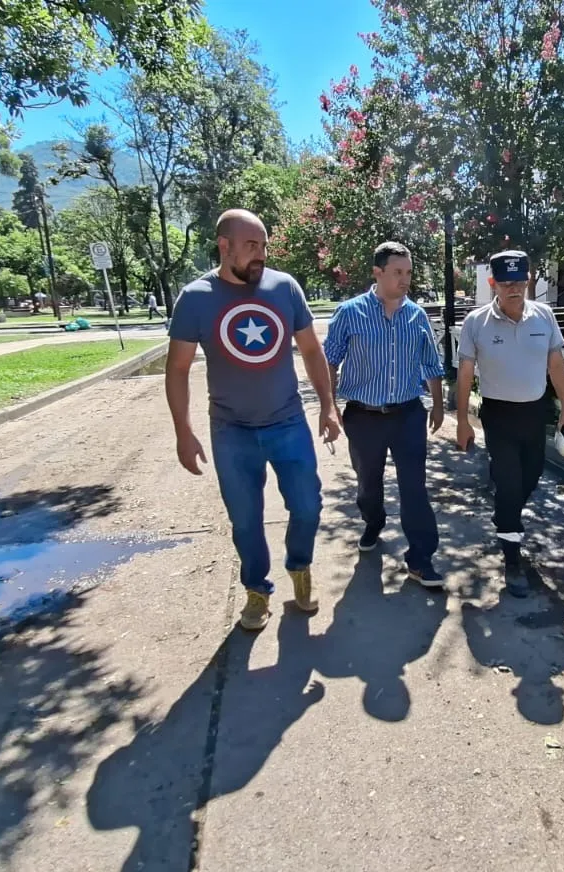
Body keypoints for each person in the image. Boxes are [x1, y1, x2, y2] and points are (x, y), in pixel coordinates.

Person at [166, 209, 343, 631]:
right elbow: (177, 368)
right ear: (224, 246)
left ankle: (299, 566)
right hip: (231, 431)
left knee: (307, 506)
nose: (260, 254)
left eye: (263, 245)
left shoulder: (284, 288)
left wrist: (328, 405)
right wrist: (183, 432)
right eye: (251, 246)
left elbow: (312, 350)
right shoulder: (196, 298)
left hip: (287, 422)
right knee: (245, 519)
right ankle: (256, 590)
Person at [323, 242, 446, 589]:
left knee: (414, 487)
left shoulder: (416, 315)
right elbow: (330, 360)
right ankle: (373, 521)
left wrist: (438, 405)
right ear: (377, 273)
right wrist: (329, 407)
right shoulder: (350, 313)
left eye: (409, 272)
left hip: (408, 414)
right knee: (368, 483)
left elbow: (431, 363)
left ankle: (420, 558)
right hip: (363, 417)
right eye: (397, 272)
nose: (405, 279)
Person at [454, 249, 564, 598]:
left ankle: (505, 514)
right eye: (506, 283)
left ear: (529, 281)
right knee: (508, 487)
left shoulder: (544, 316)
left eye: (519, 282)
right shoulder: (476, 322)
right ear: (493, 283)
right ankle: (512, 558)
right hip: (499, 416)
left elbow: (556, 364)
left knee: (530, 478)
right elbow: (465, 373)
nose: (514, 289)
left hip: (535, 413)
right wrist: (462, 421)